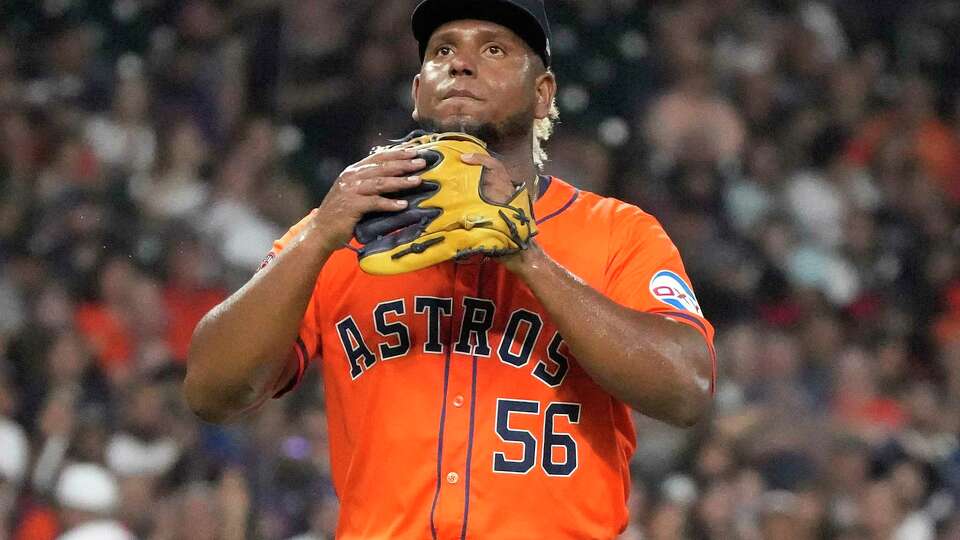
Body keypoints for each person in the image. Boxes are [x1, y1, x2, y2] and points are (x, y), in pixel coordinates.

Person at [185, 1, 716, 537]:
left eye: (493, 48)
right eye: (443, 50)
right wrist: (319, 236)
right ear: (419, 92)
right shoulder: (343, 229)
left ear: (543, 94)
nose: (461, 64)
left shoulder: (616, 231)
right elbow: (211, 391)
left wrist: (526, 256)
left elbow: (685, 388)